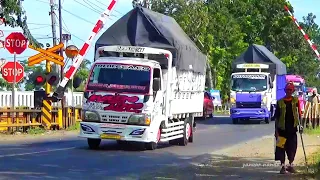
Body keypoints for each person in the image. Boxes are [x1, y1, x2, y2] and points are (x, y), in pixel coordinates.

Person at [274, 82, 302, 174]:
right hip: (282, 130)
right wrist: (276, 131)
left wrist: (301, 125)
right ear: (285, 90)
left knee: (292, 148)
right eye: (287, 90)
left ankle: (290, 165)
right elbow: (277, 118)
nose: (289, 91)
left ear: (293, 91)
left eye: (290, 90)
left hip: (292, 129)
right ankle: (282, 167)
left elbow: (299, 114)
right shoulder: (280, 102)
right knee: (281, 149)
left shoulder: (296, 100)